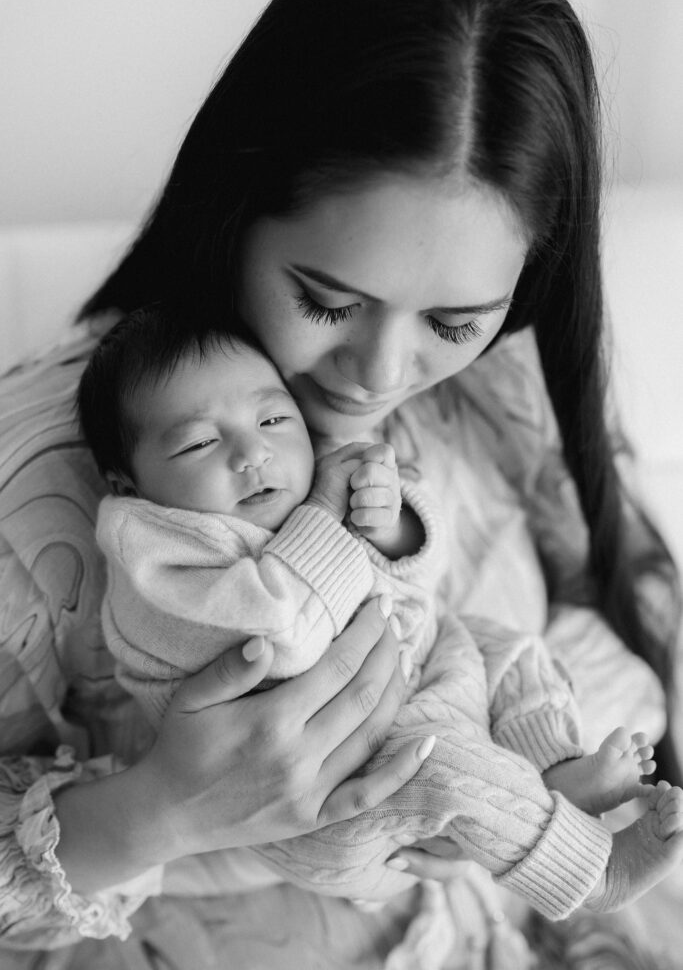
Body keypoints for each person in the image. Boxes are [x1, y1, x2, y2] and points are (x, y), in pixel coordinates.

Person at [1, 0, 681, 966]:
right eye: (326, 300)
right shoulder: (56, 485)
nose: (377, 372)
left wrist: (545, 760)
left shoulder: (498, 382)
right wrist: (154, 812)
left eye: (455, 319)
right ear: (235, 211)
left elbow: (612, 608)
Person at [76, 302, 682, 915]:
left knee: (513, 651)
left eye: (273, 417)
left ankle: (555, 769)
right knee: (447, 768)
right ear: (127, 483)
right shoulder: (154, 554)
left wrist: (393, 525)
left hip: (425, 681)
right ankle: (589, 873)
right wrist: (329, 514)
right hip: (329, 795)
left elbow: (422, 577)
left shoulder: (309, 473)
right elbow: (281, 632)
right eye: (200, 443)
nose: (251, 453)